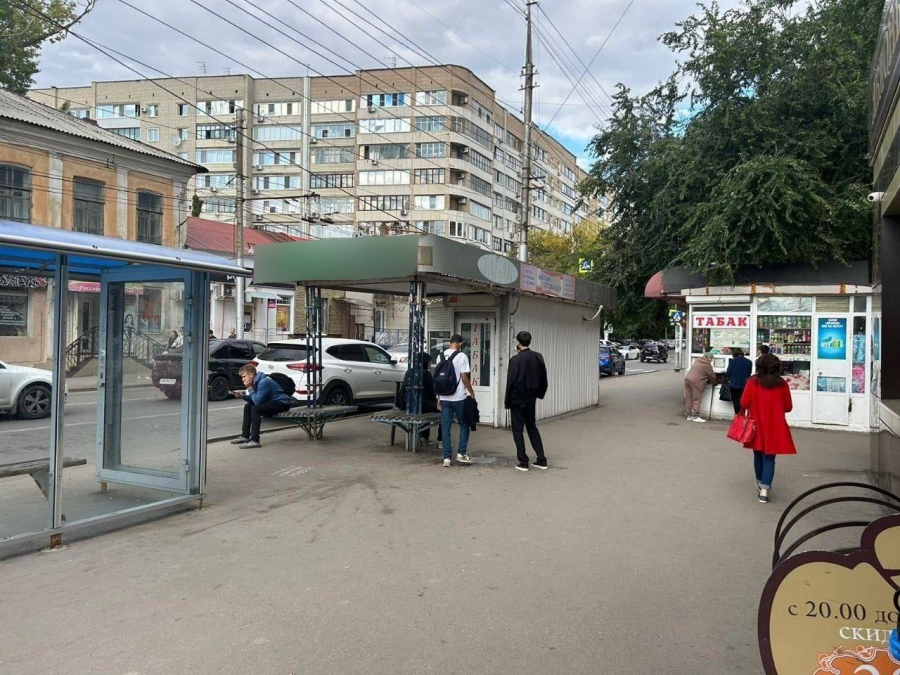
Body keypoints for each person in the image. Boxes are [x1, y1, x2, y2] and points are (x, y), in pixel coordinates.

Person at [740, 353, 796, 504]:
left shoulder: (753, 382)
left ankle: (760, 481)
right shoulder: (782, 384)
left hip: (756, 424)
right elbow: (788, 407)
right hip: (776, 425)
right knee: (770, 457)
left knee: (758, 454)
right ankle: (764, 491)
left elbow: (744, 403)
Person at [504, 330, 549, 472]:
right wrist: (540, 393)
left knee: (517, 430)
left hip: (517, 399)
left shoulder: (515, 360)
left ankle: (523, 461)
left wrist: (507, 401)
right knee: (532, 427)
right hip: (531, 398)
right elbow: (544, 378)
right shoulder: (538, 357)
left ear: (518, 343)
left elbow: (510, 381)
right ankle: (541, 459)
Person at [230, 364, 291, 449]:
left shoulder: (263, 382)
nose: (242, 379)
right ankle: (245, 436)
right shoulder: (257, 381)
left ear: (251, 375)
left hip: (282, 403)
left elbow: (257, 402)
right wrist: (242, 396)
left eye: (244, 376)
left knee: (255, 409)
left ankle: (255, 440)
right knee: (248, 406)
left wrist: (250, 387)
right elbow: (255, 399)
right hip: (272, 401)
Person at [438, 334, 476, 467]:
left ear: (450, 342)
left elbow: (439, 380)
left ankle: (447, 458)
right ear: (459, 344)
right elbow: (464, 377)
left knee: (445, 427)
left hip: (444, 397)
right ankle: (461, 453)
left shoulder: (440, 356)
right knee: (464, 424)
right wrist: (471, 392)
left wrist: (438, 398)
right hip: (459, 397)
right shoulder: (462, 356)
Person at [397, 352, 439, 444]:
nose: (430, 364)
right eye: (429, 362)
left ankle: (422, 436)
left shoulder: (409, 372)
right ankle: (436, 438)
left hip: (409, 404)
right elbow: (432, 391)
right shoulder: (426, 374)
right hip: (422, 405)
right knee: (443, 410)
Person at [684, 351, 717, 422]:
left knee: (688, 398)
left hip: (688, 380)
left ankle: (689, 415)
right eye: (712, 359)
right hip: (696, 382)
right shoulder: (707, 365)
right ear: (708, 358)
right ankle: (695, 416)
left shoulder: (697, 361)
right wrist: (715, 383)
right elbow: (712, 375)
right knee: (696, 399)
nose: (712, 360)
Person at [725, 347, 752, 415]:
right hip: (745, 385)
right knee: (743, 402)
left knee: (736, 402)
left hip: (734, 384)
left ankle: (738, 416)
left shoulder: (733, 361)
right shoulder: (749, 362)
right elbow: (749, 374)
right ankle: (742, 415)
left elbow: (728, 373)